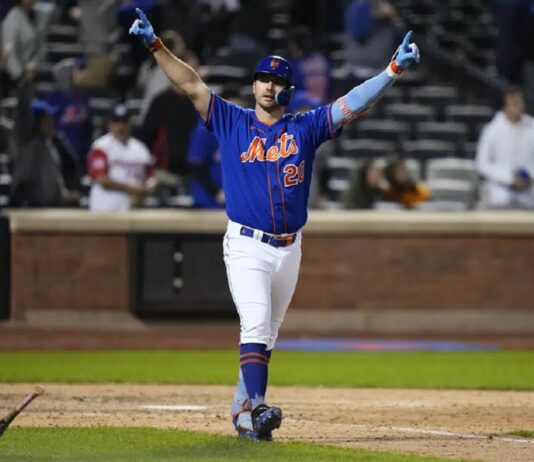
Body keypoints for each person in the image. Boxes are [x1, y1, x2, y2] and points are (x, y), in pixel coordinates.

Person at [129, 7, 419, 441]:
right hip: (246, 243)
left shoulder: (304, 128)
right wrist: (156, 45)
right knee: (257, 323)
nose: (269, 85)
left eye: (279, 80)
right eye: (263, 78)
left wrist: (392, 70)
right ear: (254, 84)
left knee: (268, 335)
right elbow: (189, 83)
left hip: (290, 247)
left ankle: (242, 411)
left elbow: (353, 102)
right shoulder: (231, 120)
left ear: (288, 90)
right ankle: (260, 410)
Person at [10, 98, 82, 207]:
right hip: (29, 207)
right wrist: (26, 85)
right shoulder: (26, 143)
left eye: (51, 119)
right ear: (36, 121)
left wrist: (66, 194)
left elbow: (53, 180)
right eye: (47, 119)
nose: (51, 123)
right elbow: (22, 115)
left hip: (48, 207)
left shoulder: (52, 143)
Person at [87, 104, 155, 212]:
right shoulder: (101, 146)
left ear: (130, 124)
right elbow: (101, 178)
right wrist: (133, 189)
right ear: (109, 124)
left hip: (132, 211)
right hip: (104, 211)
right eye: (116, 122)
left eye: (124, 122)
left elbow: (151, 176)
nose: (120, 126)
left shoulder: (140, 148)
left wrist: (148, 188)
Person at [476, 89, 534, 209]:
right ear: (505, 108)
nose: (519, 107)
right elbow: (482, 163)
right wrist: (509, 178)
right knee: (498, 198)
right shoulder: (492, 130)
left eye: (520, 103)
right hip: (500, 186)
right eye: (514, 104)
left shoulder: (532, 127)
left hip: (529, 185)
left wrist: (529, 177)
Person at [1, 0, 55, 88]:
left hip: (35, 70)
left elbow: (41, 45)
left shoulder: (38, 14)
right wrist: (22, 76)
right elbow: (10, 55)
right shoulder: (11, 20)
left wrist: (35, 63)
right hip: (17, 80)